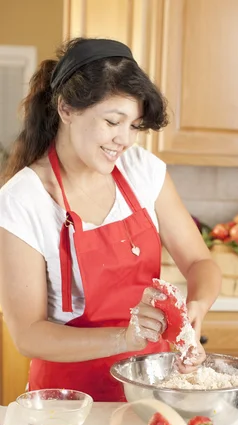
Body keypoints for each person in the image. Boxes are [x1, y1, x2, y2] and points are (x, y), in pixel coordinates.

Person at [0, 37, 221, 402]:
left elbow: (200, 261)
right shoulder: (22, 201)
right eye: (113, 122)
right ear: (67, 109)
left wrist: (195, 308)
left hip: (149, 392)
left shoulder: (142, 171)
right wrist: (125, 338)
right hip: (65, 404)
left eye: (134, 125)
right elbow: (28, 335)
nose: (125, 140)